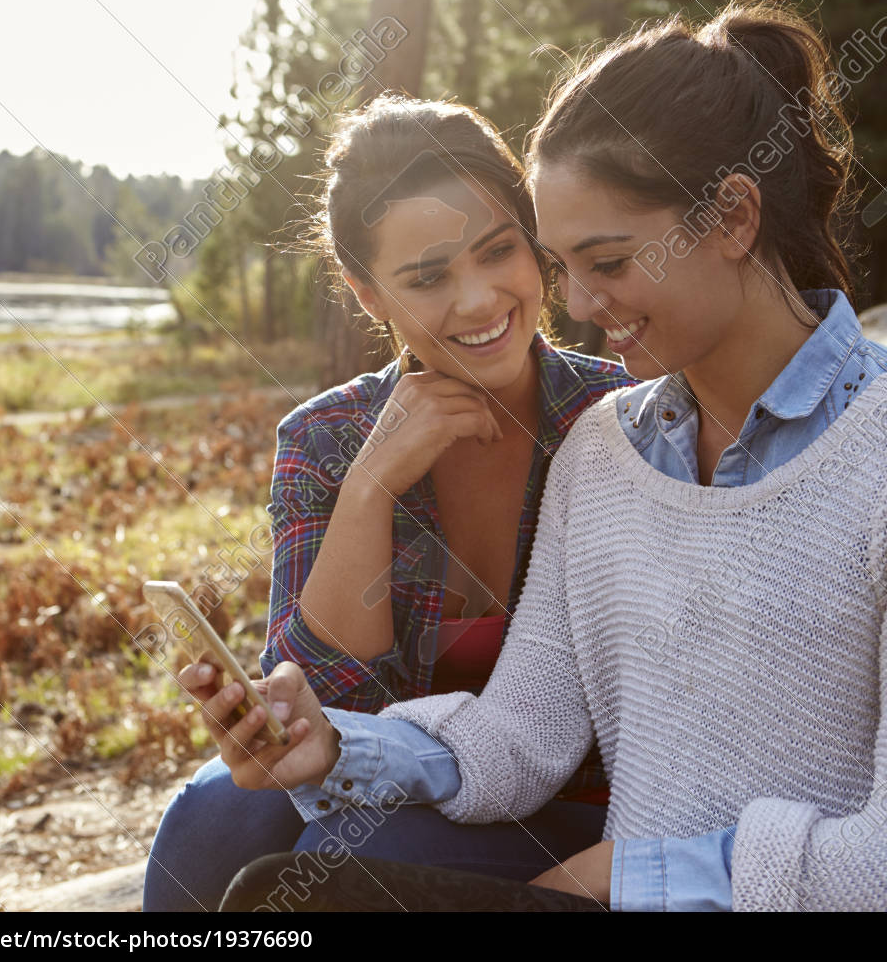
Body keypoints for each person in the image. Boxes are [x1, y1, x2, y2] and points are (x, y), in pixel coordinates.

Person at [208, 0, 887, 912]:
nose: (579, 306)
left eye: (612, 262)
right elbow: (520, 735)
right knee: (281, 898)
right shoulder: (603, 448)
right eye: (563, 265)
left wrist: (631, 872)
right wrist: (339, 746)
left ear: (734, 216)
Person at [141, 95, 634, 912]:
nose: (477, 300)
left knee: (340, 856)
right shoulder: (327, 439)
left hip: (570, 798)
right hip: (382, 767)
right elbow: (322, 720)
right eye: (428, 276)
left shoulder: (619, 414)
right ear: (367, 292)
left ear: (533, 239)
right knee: (209, 822)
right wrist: (370, 487)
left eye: (497, 250)